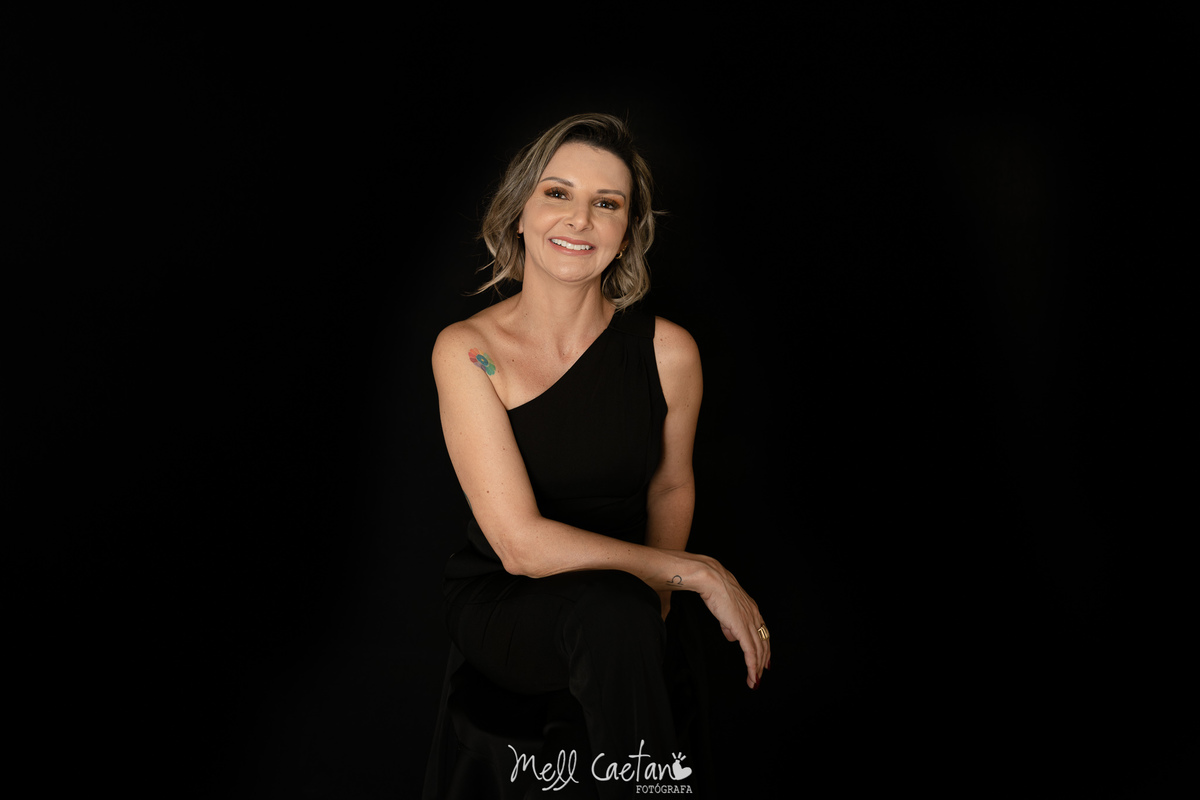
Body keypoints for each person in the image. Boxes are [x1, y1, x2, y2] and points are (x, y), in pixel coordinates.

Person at [424, 113, 770, 798]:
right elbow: (519, 546)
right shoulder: (467, 351)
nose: (579, 219)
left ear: (627, 232)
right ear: (520, 212)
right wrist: (695, 574)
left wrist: (658, 599)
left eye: (606, 204)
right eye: (558, 193)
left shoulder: (669, 352)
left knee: (620, 617)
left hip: (628, 600)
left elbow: (670, 486)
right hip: (507, 601)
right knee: (613, 613)